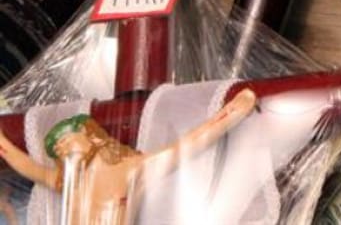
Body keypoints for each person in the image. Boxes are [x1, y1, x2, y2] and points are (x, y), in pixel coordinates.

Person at [0, 89, 257, 225]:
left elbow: (189, 144)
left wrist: (231, 113)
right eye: (58, 150)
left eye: (67, 140)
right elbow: (24, 164)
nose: (63, 149)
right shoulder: (69, 182)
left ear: (91, 136)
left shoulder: (132, 169)